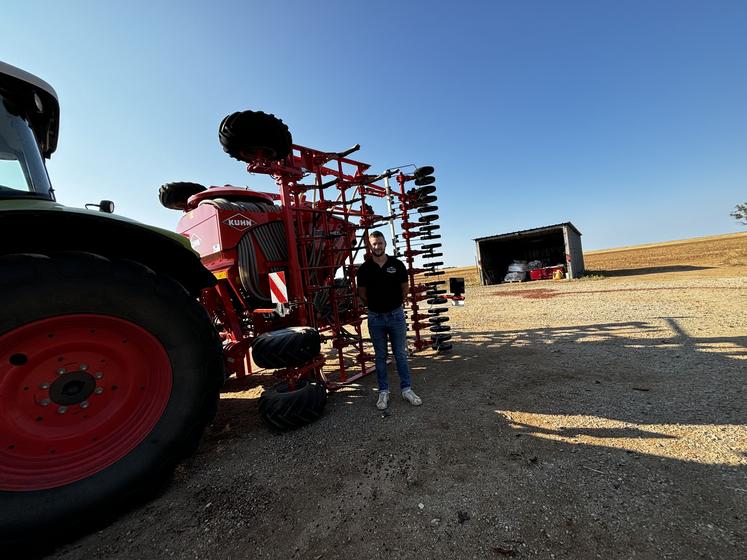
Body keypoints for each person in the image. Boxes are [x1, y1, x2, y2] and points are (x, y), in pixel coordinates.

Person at [356, 231, 422, 410]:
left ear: (385, 244)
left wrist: (394, 304)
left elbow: (405, 288)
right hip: (375, 318)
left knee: (400, 354)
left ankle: (407, 389)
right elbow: (361, 293)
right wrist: (375, 306)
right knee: (380, 356)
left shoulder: (397, 265)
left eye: (380, 243)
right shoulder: (364, 269)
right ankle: (383, 392)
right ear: (370, 247)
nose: (377, 247)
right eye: (374, 244)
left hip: (396, 316)